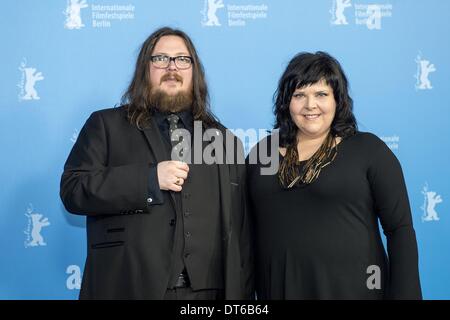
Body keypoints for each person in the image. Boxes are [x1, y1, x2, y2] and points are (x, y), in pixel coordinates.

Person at [60, 27, 253, 300]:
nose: (172, 67)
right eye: (160, 58)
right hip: (129, 286)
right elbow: (73, 190)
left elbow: (240, 230)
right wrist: (148, 180)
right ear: (144, 69)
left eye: (182, 59)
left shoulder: (224, 140)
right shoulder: (106, 125)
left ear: (194, 71)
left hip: (207, 293)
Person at [247, 51, 422, 299]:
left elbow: (400, 230)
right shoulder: (260, 154)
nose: (310, 105)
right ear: (287, 102)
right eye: (299, 95)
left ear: (337, 100)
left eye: (321, 94)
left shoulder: (369, 150)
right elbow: (242, 233)